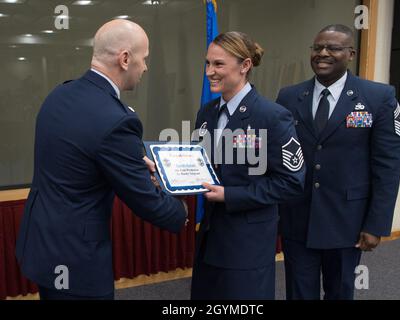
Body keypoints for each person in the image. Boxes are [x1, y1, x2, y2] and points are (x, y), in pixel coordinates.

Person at [15, 19, 187, 300]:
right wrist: (182, 211)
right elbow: (146, 201)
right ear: (125, 58)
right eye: (144, 59)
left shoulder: (59, 95)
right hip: (77, 261)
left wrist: (128, 161)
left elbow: (77, 158)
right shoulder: (116, 119)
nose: (145, 67)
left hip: (43, 246)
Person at [276, 24, 400, 300]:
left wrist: (376, 224)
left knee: (340, 292)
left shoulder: (379, 97)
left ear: (351, 53)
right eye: (317, 47)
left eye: (333, 48)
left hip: (348, 221)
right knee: (298, 292)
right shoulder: (288, 97)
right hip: (298, 218)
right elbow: (279, 156)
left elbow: (388, 166)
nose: (323, 53)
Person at [190, 31, 305, 300]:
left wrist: (230, 195)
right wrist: (168, 175)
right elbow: (202, 164)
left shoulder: (272, 116)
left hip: (246, 242)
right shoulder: (207, 113)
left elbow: (291, 182)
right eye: (207, 63)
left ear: (245, 66)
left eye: (219, 64)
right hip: (209, 235)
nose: (210, 72)